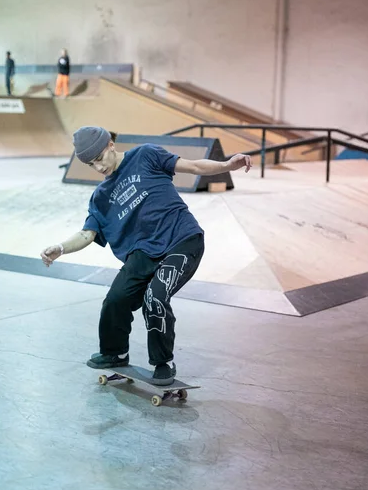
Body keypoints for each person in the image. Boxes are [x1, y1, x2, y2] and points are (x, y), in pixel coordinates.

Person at [40, 127, 251, 385]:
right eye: (90, 164)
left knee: (155, 296)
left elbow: (194, 166)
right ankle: (115, 353)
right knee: (115, 300)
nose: (98, 167)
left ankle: (163, 362)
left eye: (99, 158)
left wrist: (227, 164)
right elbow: (87, 234)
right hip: (142, 252)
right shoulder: (101, 198)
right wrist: (60, 248)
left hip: (181, 240)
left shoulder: (145, 155)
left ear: (110, 145)